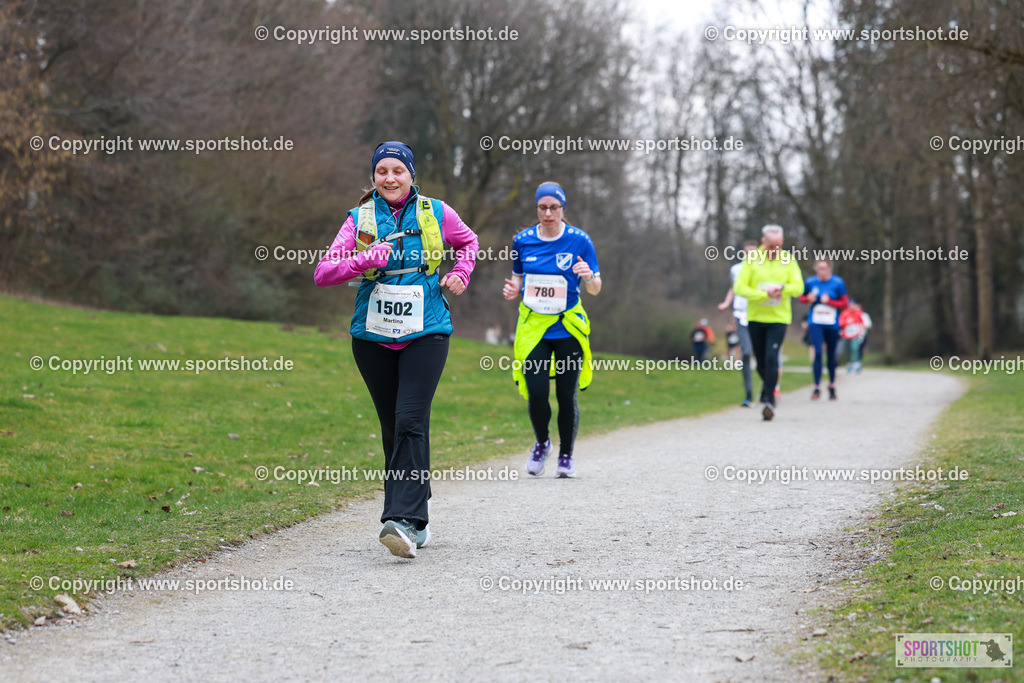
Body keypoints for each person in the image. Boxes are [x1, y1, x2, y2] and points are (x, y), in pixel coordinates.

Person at [314, 141, 479, 558]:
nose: (389, 178)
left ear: (411, 175)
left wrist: (461, 272)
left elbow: (469, 242)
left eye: (397, 171)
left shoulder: (437, 213)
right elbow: (323, 273)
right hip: (372, 337)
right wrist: (361, 259)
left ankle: (399, 521)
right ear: (374, 176)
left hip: (427, 331)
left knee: (410, 419)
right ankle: (417, 519)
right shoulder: (358, 219)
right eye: (382, 171)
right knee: (396, 427)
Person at [503, 182, 601, 478]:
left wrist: (588, 277)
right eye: (542, 207)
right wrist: (512, 289)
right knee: (536, 392)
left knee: (566, 394)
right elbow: (517, 279)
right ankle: (543, 442)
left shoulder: (580, 241)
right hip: (535, 328)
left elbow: (596, 288)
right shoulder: (522, 241)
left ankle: (567, 456)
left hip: (567, 327)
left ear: (563, 209)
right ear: (537, 209)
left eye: (554, 207)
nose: (548, 213)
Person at [733, 225, 804, 421]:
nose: (775, 250)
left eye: (778, 246)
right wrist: (762, 294)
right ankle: (768, 392)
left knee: (773, 358)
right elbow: (740, 287)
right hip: (755, 317)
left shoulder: (788, 259)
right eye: (771, 246)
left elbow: (798, 287)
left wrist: (782, 288)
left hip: (779, 318)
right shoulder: (752, 259)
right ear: (763, 242)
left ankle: (768, 400)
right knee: (761, 363)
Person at [717, 239, 758, 406]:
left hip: (760, 316)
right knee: (746, 353)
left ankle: (768, 390)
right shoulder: (736, 269)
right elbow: (733, 288)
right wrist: (726, 303)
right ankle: (748, 393)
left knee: (762, 356)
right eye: (747, 251)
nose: (749, 254)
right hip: (741, 316)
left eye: (753, 251)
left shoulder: (763, 269)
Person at [798, 259, 847, 400]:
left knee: (831, 355)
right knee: (817, 352)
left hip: (832, 323)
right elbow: (801, 297)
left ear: (830, 269)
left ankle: (831, 385)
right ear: (816, 269)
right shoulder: (810, 282)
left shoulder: (838, 283)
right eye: (819, 268)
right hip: (815, 322)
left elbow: (844, 302)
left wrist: (830, 301)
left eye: (824, 268)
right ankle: (817, 387)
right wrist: (808, 298)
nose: (822, 271)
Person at [840, 300, 869, 373]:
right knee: (848, 350)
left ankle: (856, 364)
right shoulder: (844, 313)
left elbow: (863, 323)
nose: (852, 306)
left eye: (853, 304)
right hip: (846, 335)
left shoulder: (858, 312)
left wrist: (861, 331)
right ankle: (849, 364)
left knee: (855, 348)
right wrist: (847, 322)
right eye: (850, 305)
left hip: (855, 334)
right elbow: (840, 323)